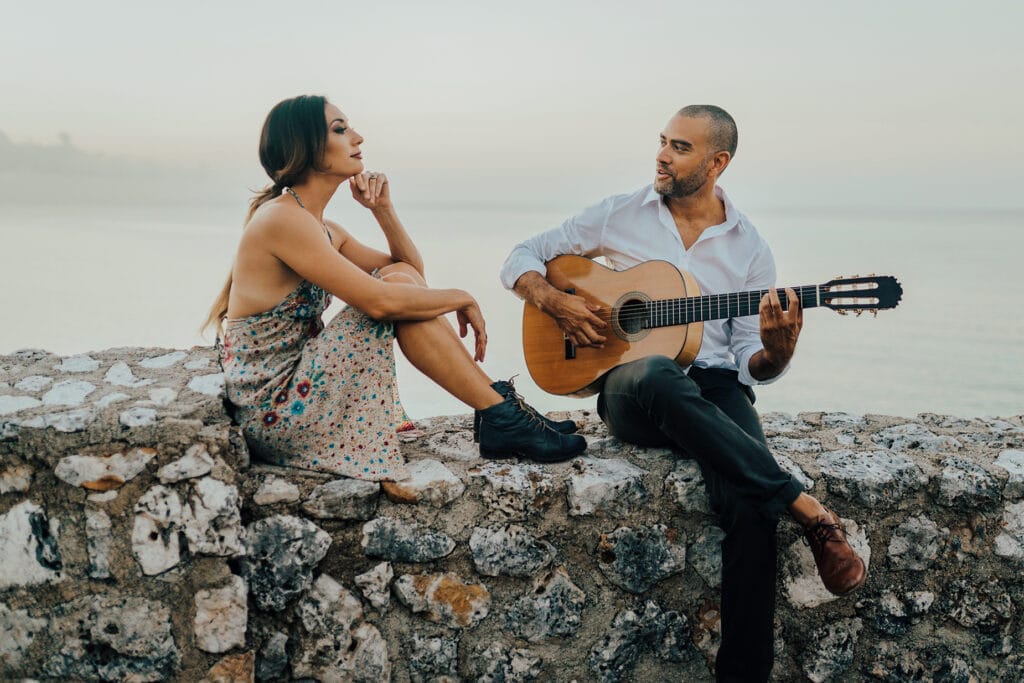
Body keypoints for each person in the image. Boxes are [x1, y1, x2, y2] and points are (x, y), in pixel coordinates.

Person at [500, 105, 866, 682]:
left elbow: (754, 364)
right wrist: (557, 302)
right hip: (631, 388)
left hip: (716, 387)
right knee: (654, 373)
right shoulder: (619, 212)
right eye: (663, 142)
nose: (662, 156)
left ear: (717, 162)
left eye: (680, 147)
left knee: (749, 506)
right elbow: (520, 257)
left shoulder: (749, 246)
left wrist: (778, 350)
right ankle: (807, 506)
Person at [203, 95, 585, 481]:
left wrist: (383, 210)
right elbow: (382, 303)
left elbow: (409, 271)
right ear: (305, 148)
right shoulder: (283, 221)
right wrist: (463, 296)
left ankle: (500, 411)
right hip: (275, 411)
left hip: (299, 391)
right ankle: (501, 415)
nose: (358, 137)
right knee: (395, 296)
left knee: (401, 284)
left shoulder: (322, 227)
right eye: (340, 130)